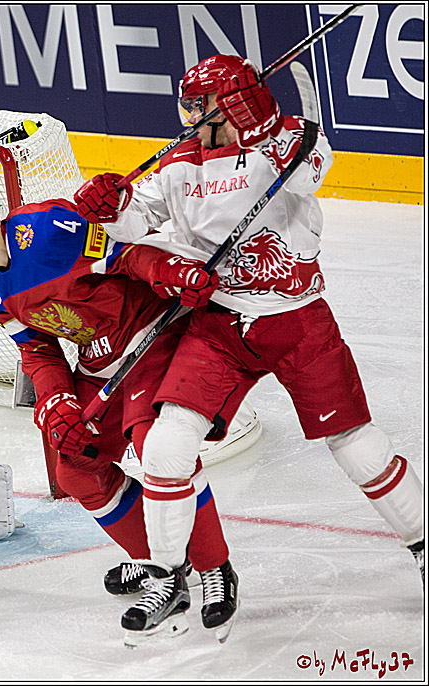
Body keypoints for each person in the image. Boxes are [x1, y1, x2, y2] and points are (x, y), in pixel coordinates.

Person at [74, 54, 425, 641]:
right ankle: (168, 574)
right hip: (219, 326)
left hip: (296, 323)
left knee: (358, 449)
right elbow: (137, 221)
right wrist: (111, 208)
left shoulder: (290, 139)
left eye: (197, 106)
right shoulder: (180, 164)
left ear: (231, 104)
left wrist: (262, 130)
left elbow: (312, 168)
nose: (186, 118)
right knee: (165, 444)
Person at [0, 181, 244, 643]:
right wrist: (57, 403)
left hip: (152, 332)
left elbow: (126, 255)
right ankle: (165, 563)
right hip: (101, 359)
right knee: (76, 469)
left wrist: (172, 271)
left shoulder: (45, 226)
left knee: (155, 445)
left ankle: (216, 568)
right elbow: (38, 350)